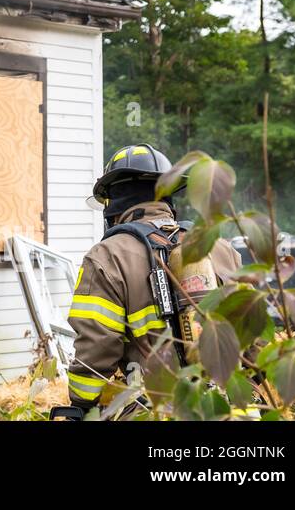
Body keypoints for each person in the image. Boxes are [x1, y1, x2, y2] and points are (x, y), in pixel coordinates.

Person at [63, 144, 242, 415]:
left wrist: (79, 406)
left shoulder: (107, 257)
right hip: (228, 406)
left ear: (114, 202)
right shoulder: (219, 246)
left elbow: (95, 352)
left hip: (156, 410)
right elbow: (253, 340)